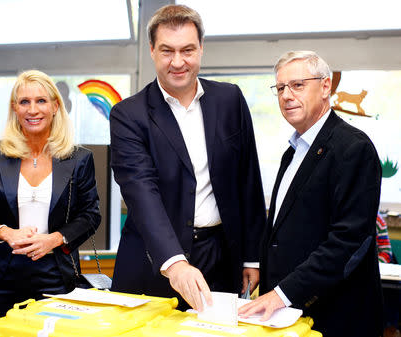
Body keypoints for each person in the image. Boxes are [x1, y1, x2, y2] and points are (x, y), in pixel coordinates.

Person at [110, 4, 266, 311]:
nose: (178, 62)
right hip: (153, 261)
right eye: (167, 51)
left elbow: (248, 180)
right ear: (152, 50)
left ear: (201, 49)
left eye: (188, 50)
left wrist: (252, 256)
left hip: (220, 258)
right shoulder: (128, 115)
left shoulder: (229, 99)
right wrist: (175, 263)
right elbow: (141, 192)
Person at [238, 51, 383, 337]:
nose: (286, 95)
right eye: (280, 88)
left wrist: (281, 293)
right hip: (288, 315)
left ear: (326, 86)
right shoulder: (293, 151)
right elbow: (280, 230)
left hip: (336, 317)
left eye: (297, 85)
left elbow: (348, 242)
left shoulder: (353, 148)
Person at [0, 70, 101, 337]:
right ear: (15, 108)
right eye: (24, 101)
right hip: (0, 275)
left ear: (55, 106)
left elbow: (90, 215)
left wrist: (55, 239)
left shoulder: (78, 159)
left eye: (41, 101)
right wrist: (5, 233)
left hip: (56, 274)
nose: (32, 109)